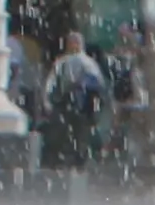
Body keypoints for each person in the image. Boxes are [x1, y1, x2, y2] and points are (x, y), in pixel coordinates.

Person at [41, 31, 110, 171]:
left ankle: (76, 157)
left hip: (78, 103)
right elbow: (51, 83)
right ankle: (73, 157)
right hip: (70, 103)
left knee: (76, 132)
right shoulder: (69, 62)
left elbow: (97, 84)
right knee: (71, 131)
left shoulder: (82, 62)